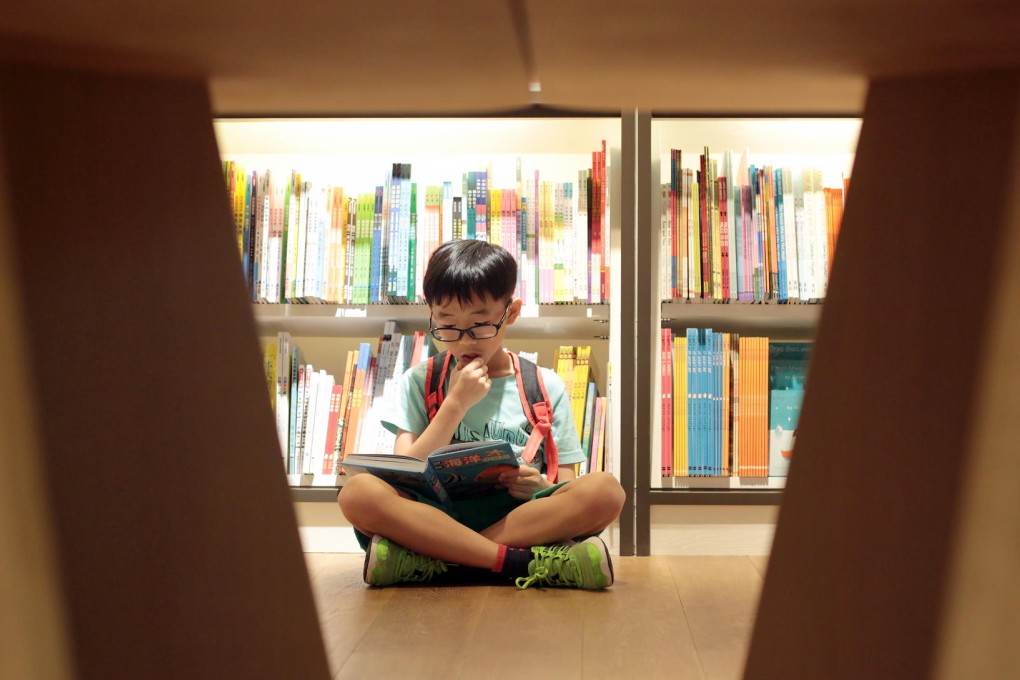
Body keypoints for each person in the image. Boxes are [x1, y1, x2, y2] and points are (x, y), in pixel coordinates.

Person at [338, 239, 626, 590]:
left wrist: (539, 485)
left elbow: (563, 482)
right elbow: (404, 471)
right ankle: (517, 563)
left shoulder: (544, 385)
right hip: (434, 518)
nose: (464, 342)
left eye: (480, 325)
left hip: (519, 519)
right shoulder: (421, 380)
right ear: (431, 315)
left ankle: (439, 561)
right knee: (358, 493)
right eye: (447, 325)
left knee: (606, 491)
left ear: (512, 312)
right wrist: (455, 405)